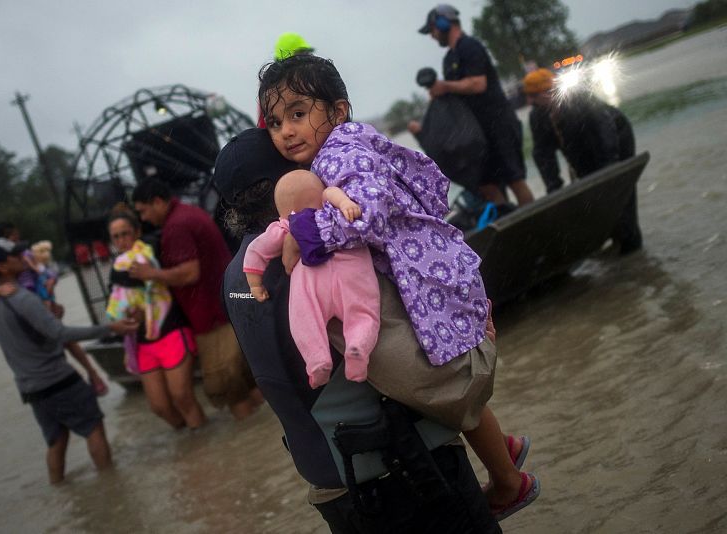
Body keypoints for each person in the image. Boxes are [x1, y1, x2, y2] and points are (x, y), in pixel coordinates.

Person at [258, 54, 539, 518]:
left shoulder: (340, 153)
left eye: (298, 113)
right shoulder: (347, 145)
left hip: (428, 281)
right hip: (436, 271)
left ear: (339, 110)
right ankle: (503, 447)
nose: (286, 130)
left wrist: (301, 237)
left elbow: (367, 214)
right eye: (275, 121)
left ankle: (511, 481)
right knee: (449, 379)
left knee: (442, 382)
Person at [214, 127, 502, 532]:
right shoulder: (320, 249)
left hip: (332, 488)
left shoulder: (235, 277)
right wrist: (478, 348)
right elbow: (414, 362)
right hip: (406, 470)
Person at [0, 237, 138, 483]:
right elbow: (60, 334)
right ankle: (112, 483)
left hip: (30, 387)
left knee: (56, 441)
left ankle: (60, 490)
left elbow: (33, 331)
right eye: (15, 257)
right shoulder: (22, 298)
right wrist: (111, 328)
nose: (23, 258)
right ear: (1, 267)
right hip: (57, 379)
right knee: (93, 427)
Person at [130, 179, 263, 420]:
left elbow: (190, 273)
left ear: (157, 202)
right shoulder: (189, 214)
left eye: (143, 211)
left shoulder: (176, 227)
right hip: (226, 306)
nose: (144, 218)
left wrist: (151, 274)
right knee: (246, 381)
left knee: (228, 387)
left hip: (212, 318)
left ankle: (248, 431)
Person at [244, 169, 380, 388]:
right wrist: (345, 203)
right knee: (364, 314)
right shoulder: (330, 207)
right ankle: (358, 347)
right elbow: (334, 193)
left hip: (310, 282)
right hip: (352, 274)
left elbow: (256, 251)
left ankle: (317, 359)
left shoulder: (285, 226)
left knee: (304, 321)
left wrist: (254, 284)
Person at [417, 4, 534, 208]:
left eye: (433, 30)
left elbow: (479, 84)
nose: (432, 36)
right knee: (488, 186)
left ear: (445, 23)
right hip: (476, 134)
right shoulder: (449, 59)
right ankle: (508, 222)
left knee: (514, 178)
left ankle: (536, 223)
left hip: (498, 124)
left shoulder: (470, 46)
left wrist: (445, 86)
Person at [0, 222, 110, 396]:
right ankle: (75, 381)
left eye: (17, 239)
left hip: (38, 301)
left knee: (64, 338)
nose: (17, 245)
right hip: (24, 307)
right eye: (11, 240)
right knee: (55, 340)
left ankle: (91, 375)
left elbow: (46, 272)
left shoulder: (24, 255)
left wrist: (51, 284)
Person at [523, 68, 643, 254]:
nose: (529, 101)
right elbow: (542, 152)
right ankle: (614, 239)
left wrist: (610, 167)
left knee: (621, 197)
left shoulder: (578, 98)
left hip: (617, 139)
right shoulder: (537, 115)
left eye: (533, 95)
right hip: (580, 150)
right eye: (528, 96)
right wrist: (554, 186)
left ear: (549, 92)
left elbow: (604, 127)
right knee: (594, 201)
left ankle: (632, 247)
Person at [106, 208, 207, 429]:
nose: (122, 240)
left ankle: (202, 438)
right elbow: (115, 305)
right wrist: (125, 318)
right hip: (144, 341)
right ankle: (194, 444)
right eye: (116, 236)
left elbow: (181, 276)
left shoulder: (153, 251)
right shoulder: (117, 268)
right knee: (159, 407)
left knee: (182, 397)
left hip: (172, 329)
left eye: (126, 233)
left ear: (137, 231)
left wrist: (152, 274)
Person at [257, 32, 316, 128]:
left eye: (308, 54)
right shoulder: (271, 90)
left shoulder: (314, 80)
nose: (309, 58)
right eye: (303, 54)